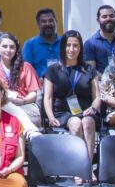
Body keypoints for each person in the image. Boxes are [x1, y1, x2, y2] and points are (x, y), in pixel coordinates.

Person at [43, 30, 102, 166]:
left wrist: (93, 108)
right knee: (75, 123)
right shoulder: (53, 70)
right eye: (68, 45)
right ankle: (77, 166)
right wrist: (51, 117)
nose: (71, 49)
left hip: (86, 110)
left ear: (80, 48)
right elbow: (48, 97)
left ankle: (87, 166)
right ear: (63, 47)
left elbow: (97, 96)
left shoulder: (89, 69)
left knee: (88, 123)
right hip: (63, 112)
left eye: (75, 46)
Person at [0, 32, 43, 134]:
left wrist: (22, 101)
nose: (8, 50)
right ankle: (31, 131)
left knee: (9, 113)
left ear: (16, 49)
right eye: (4, 46)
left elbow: (34, 93)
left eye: (12, 47)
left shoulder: (26, 67)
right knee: (5, 103)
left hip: (25, 105)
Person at [21, 7, 62, 78]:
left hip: (63, 84)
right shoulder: (30, 45)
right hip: (39, 85)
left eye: (50, 20)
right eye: (43, 21)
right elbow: (26, 70)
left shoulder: (65, 42)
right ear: (38, 24)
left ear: (56, 22)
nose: (47, 24)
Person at [83, 4, 115, 77]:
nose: (108, 19)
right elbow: (90, 70)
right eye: (104, 16)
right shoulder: (90, 44)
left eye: (111, 16)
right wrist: (108, 81)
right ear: (98, 20)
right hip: (101, 85)